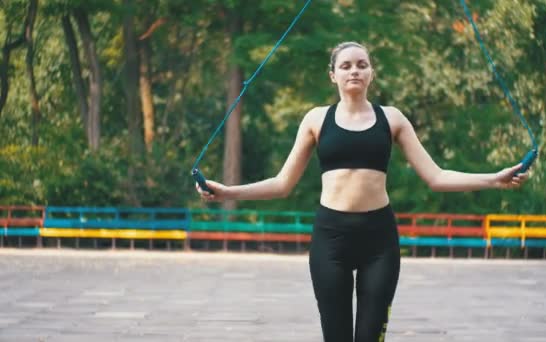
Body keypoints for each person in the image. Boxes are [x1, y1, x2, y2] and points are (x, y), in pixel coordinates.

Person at [196, 41, 529, 342]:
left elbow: (437, 176)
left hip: (379, 241)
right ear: (333, 76)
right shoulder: (316, 119)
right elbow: (283, 183)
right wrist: (227, 192)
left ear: (371, 73)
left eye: (361, 64)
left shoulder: (392, 119)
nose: (354, 70)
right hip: (331, 240)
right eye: (346, 65)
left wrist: (494, 178)